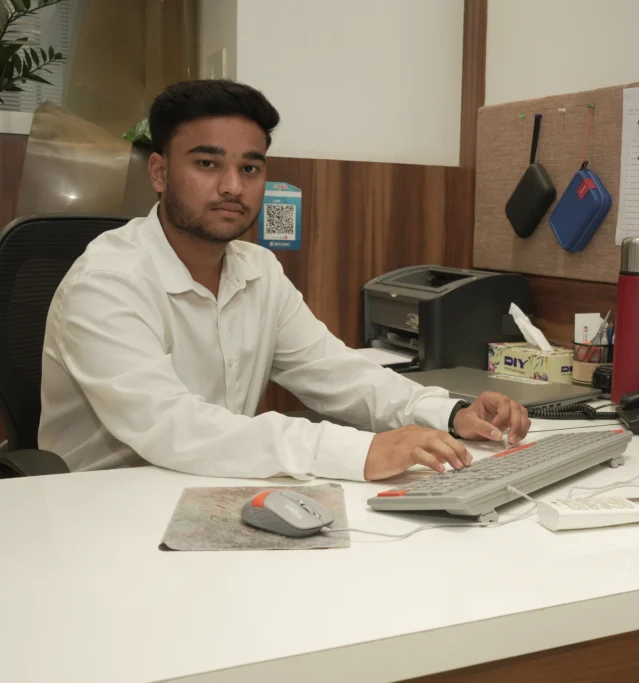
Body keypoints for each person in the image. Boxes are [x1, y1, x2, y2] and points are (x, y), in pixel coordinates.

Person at [38, 79, 531, 482]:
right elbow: (172, 427)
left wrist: (449, 413)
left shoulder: (259, 271)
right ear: (160, 173)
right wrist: (360, 451)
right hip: (104, 507)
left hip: (218, 488)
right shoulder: (106, 282)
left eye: (250, 167)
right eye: (207, 164)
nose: (232, 186)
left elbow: (336, 372)